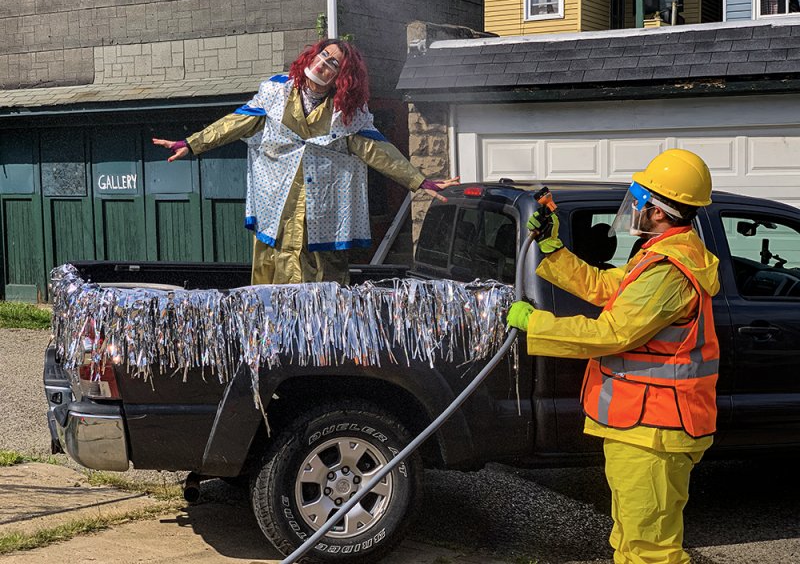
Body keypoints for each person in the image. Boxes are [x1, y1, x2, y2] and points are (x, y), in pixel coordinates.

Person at [507, 149, 720, 564]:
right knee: (628, 540)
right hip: (639, 425)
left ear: (659, 212)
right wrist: (552, 250)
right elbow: (606, 288)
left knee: (650, 551)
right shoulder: (657, 254)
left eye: (638, 200)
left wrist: (537, 325)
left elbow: (612, 333)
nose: (633, 208)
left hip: (656, 429)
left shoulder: (669, 270)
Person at [153, 39, 458, 285]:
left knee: (322, 283)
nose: (323, 64)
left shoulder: (346, 114)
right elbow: (236, 123)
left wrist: (420, 181)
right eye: (323, 56)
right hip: (276, 207)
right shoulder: (277, 91)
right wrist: (191, 144)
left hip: (323, 216)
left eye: (333, 64)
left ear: (342, 77)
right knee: (271, 274)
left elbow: (378, 151)